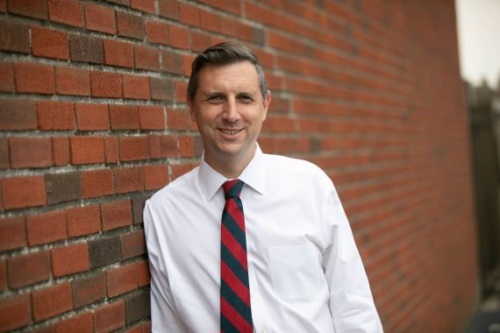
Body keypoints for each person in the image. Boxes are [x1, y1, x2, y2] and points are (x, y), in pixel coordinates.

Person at [143, 42, 383, 332]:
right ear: (191, 107)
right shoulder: (163, 213)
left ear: (265, 105)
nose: (231, 114)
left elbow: (353, 306)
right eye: (216, 98)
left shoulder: (311, 187)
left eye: (244, 98)